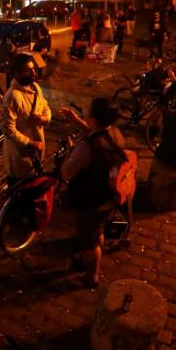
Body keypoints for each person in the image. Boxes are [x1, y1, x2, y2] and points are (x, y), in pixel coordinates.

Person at [58, 98, 125, 288]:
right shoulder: (115, 134)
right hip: (108, 195)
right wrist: (77, 120)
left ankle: (91, 275)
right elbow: (97, 133)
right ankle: (93, 253)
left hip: (92, 200)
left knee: (88, 240)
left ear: (94, 118)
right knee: (97, 231)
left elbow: (66, 173)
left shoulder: (86, 148)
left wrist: (69, 152)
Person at [1, 53, 51, 186]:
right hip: (20, 155)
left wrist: (45, 118)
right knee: (19, 190)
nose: (33, 73)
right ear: (16, 73)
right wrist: (31, 143)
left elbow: (45, 105)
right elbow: (8, 129)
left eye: (33, 68)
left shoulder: (35, 87)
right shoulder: (12, 96)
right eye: (28, 70)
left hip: (37, 150)